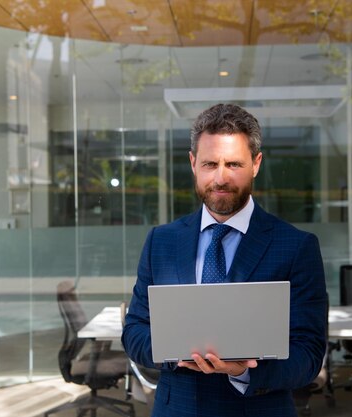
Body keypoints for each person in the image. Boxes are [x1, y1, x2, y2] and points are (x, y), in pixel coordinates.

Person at [122, 103, 327, 417]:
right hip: (178, 409)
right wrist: (174, 352)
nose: (220, 178)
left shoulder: (296, 246)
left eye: (233, 164)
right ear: (193, 163)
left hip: (259, 409)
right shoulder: (161, 241)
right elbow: (134, 331)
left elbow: (308, 354)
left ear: (256, 163)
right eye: (209, 164)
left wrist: (241, 370)